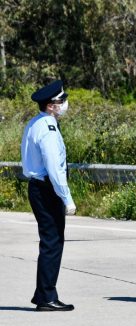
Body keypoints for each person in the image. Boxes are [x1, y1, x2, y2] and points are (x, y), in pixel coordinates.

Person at [21, 80, 76, 311]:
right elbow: (54, 167)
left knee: (49, 242)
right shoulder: (49, 129)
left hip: (37, 186)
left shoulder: (35, 123)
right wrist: (67, 198)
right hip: (47, 189)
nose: (65, 105)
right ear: (51, 106)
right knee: (52, 243)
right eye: (61, 101)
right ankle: (47, 297)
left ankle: (42, 293)